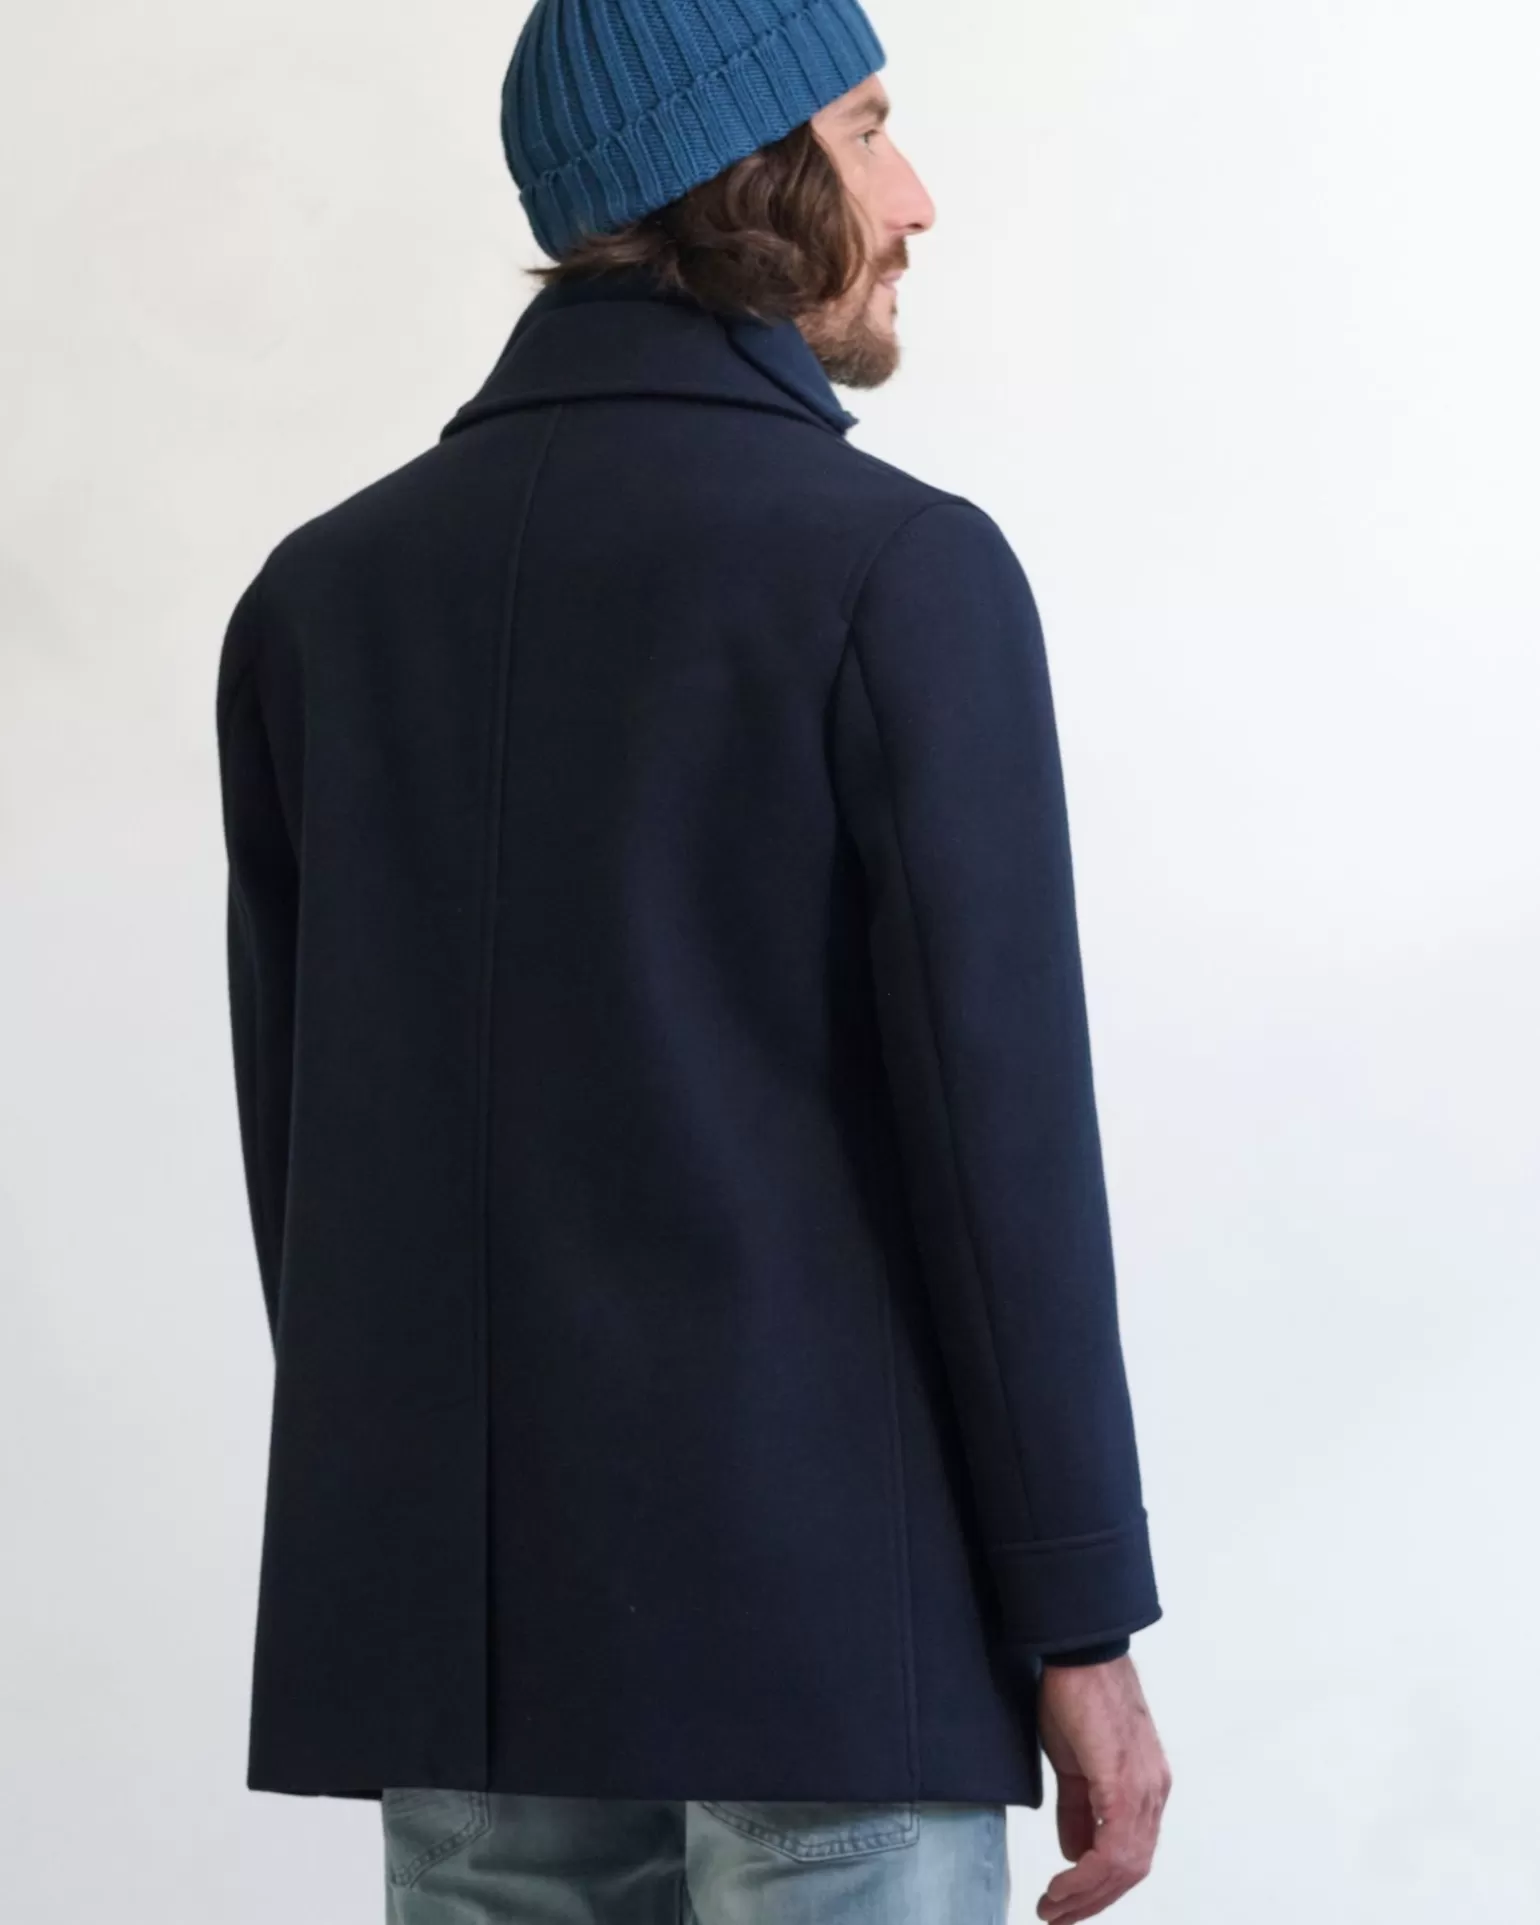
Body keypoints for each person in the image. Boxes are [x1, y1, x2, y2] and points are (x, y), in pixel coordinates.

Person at [213, 1, 1173, 1919]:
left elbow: (306, 1175)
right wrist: (1081, 1622)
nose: (914, 198)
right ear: (742, 171)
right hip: (833, 1653)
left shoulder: (317, 602)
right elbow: (1000, 1152)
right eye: (867, 130)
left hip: (466, 1658)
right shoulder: (894, 571)